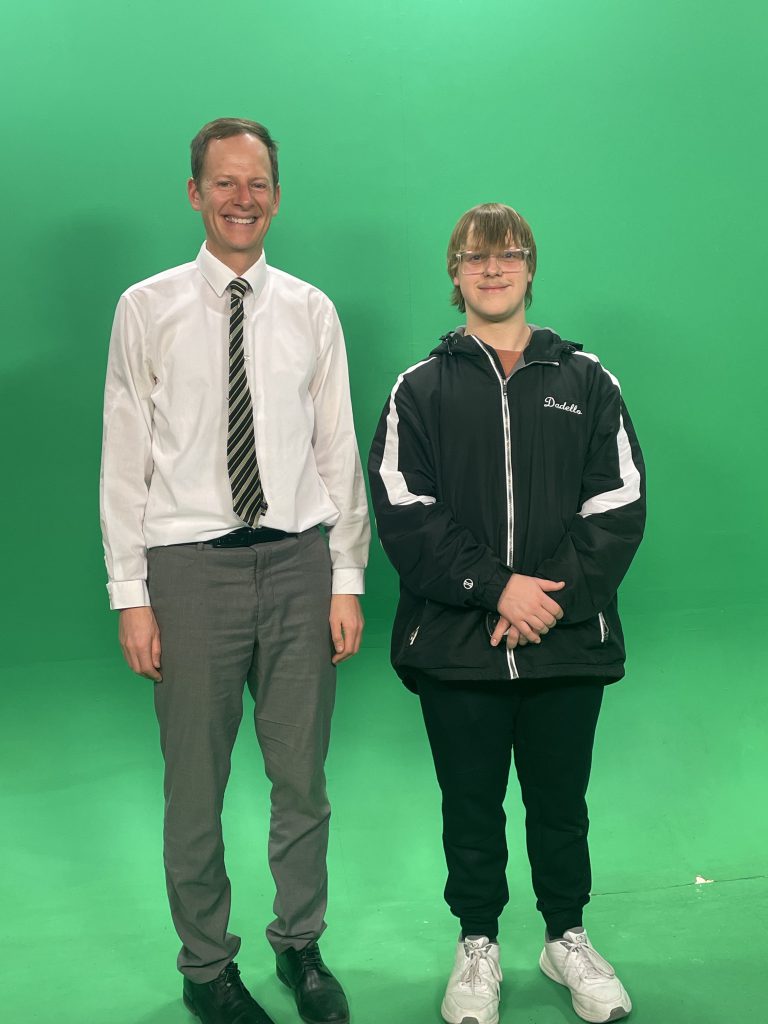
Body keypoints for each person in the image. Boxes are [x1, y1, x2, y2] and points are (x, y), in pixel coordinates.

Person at [100, 117, 370, 1024]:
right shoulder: (147, 307)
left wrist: (346, 577)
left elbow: (340, 451)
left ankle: (300, 947)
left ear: (277, 196)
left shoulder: (312, 310)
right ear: (195, 194)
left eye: (257, 183)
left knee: (301, 779)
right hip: (188, 571)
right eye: (224, 183)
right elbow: (123, 456)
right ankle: (207, 966)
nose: (241, 199)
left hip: (298, 563)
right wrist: (131, 595)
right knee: (196, 784)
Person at [368, 203, 645, 1024]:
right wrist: (497, 589)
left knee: (561, 804)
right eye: (475, 257)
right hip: (458, 646)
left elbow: (619, 503)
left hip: (565, 643)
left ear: (530, 268)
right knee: (471, 805)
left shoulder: (589, 380)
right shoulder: (417, 389)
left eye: (509, 254)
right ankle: (478, 944)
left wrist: (541, 600)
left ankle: (566, 939)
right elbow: (402, 508)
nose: (493, 269)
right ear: (453, 275)